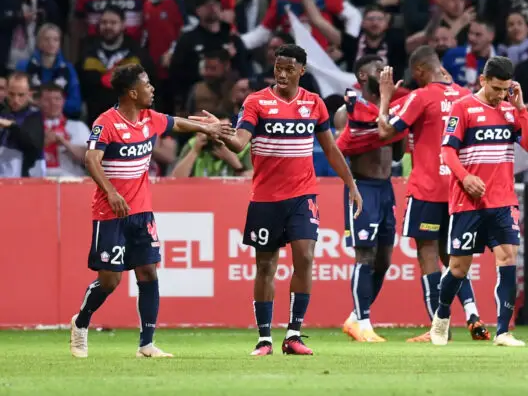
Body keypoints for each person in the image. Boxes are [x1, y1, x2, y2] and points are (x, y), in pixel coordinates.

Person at [199, 43, 363, 356]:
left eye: (289, 68)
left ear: (302, 70)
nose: (283, 74)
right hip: (266, 197)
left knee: (305, 257)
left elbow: (330, 148)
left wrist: (350, 183)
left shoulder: (314, 104)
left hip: (303, 195)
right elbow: (238, 144)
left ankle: (294, 334)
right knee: (266, 266)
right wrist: (218, 131)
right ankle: (264, 338)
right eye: (278, 68)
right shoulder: (256, 101)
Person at [69, 63, 232, 359]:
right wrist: (111, 191)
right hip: (110, 213)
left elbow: (177, 124)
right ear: (132, 92)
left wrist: (206, 127)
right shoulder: (106, 122)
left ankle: (146, 344)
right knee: (111, 280)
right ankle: (80, 323)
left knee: (148, 272)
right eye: (147, 84)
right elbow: (92, 160)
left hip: (141, 212)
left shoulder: (149, 119)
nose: (152, 89)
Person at [376, 46, 490, 343]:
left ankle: (439, 329)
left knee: (428, 254)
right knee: (454, 257)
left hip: (427, 189)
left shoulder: (421, 95)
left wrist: (386, 96)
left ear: (419, 72)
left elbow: (386, 132)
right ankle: (474, 315)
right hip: (460, 189)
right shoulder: (468, 97)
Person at [430, 56, 528, 347]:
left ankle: (503, 331)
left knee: (508, 260)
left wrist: (520, 108)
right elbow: (448, 152)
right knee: (458, 269)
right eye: (495, 88)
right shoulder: (462, 108)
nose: (500, 95)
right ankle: (441, 318)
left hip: (503, 201)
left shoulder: (509, 110)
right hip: (468, 202)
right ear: (482, 81)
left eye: (505, 89)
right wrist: (465, 178)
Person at [335, 55, 405, 342]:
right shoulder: (346, 112)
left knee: (384, 260)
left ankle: (355, 317)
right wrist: (350, 185)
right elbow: (342, 151)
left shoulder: (393, 109)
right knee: (364, 255)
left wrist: (401, 126)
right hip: (362, 186)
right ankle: (364, 321)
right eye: (378, 69)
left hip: (386, 187)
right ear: (363, 77)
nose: (384, 72)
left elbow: (399, 154)